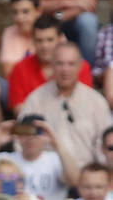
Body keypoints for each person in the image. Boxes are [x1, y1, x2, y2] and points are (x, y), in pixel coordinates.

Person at [23, 42, 112, 173]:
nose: (65, 69)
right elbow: (21, 141)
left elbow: (106, 147)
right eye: (60, 63)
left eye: (71, 64)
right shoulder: (35, 100)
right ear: (52, 65)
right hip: (47, 176)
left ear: (80, 66)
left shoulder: (96, 102)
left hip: (87, 179)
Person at [8, 13, 94, 112]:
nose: (44, 45)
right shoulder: (20, 68)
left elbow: (85, 105)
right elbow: (19, 111)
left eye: (50, 40)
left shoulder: (80, 66)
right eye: (39, 40)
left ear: (61, 39)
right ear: (32, 41)